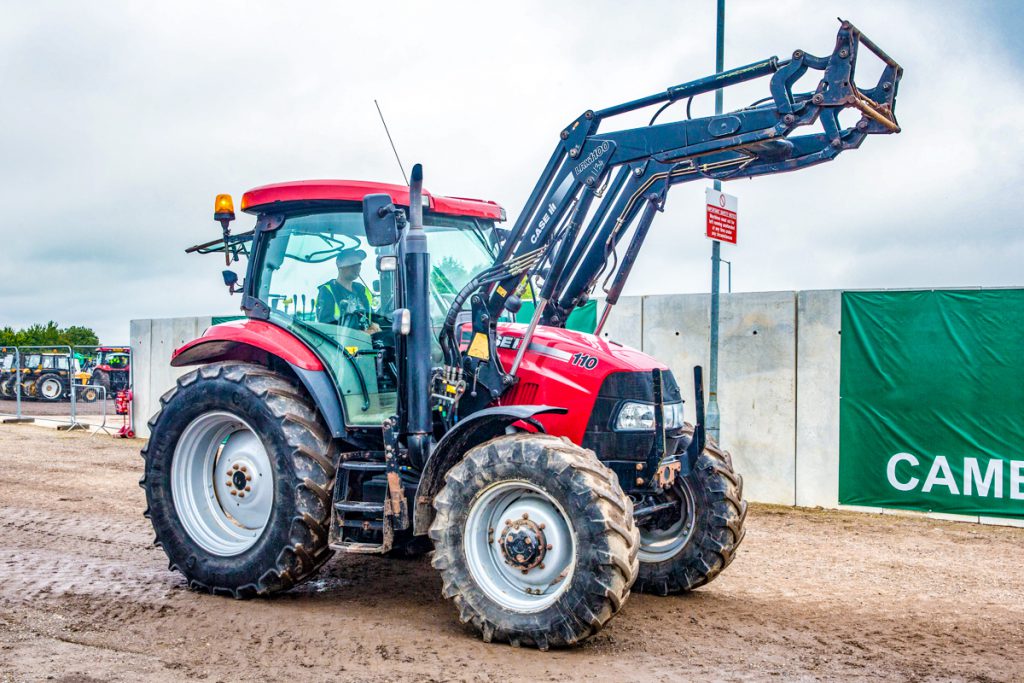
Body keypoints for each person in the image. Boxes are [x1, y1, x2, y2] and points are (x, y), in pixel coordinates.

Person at [316, 248, 381, 333]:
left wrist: (375, 325)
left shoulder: (362, 290)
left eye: (359, 264)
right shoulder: (327, 291)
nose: (357, 267)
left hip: (368, 343)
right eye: (352, 263)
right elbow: (326, 327)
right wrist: (361, 334)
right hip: (342, 344)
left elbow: (372, 317)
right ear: (339, 264)